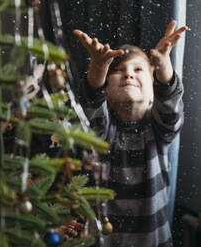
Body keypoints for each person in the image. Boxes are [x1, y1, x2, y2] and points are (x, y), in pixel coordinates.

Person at [73, 20, 188, 247]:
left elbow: (170, 105)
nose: (128, 75)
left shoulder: (158, 130)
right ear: (106, 92)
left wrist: (164, 65)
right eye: (117, 70)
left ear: (153, 93)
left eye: (138, 69)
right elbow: (91, 110)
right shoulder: (104, 132)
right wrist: (97, 70)